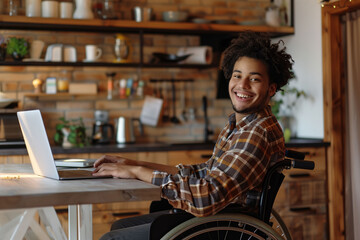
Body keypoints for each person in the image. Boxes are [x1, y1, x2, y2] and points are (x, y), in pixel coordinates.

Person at [93, 31, 294, 240]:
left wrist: (136, 172)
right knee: (120, 225)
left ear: (271, 89)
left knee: (112, 238)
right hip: (218, 219)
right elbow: (205, 172)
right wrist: (132, 163)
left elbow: (207, 197)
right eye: (237, 75)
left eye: (254, 79)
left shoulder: (256, 133)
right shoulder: (240, 125)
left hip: (223, 228)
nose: (242, 85)